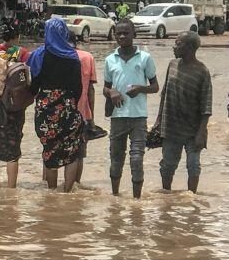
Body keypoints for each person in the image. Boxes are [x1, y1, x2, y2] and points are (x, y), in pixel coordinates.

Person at [104, 20, 159, 199]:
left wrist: (140, 88)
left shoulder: (144, 58)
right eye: (118, 33)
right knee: (116, 159)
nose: (122, 36)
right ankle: (115, 197)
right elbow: (105, 87)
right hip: (117, 116)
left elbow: (155, 86)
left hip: (138, 117)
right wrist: (111, 92)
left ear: (134, 35)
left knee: (136, 159)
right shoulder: (110, 59)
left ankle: (137, 200)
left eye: (126, 33)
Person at [28, 19, 85, 192]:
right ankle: (67, 192)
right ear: (64, 33)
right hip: (68, 108)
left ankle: (52, 192)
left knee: (50, 152)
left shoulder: (38, 55)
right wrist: (68, 102)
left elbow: (33, 88)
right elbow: (78, 88)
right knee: (72, 152)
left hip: (45, 111)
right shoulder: (73, 56)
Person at [159, 32, 212, 193]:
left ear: (189, 48)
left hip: (193, 128)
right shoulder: (172, 64)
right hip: (171, 126)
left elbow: (207, 105)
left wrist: (201, 132)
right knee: (168, 165)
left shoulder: (202, 71)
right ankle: (166, 196)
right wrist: (158, 121)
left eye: (178, 44)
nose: (174, 47)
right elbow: (164, 93)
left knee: (193, 165)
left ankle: (192, 199)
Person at [0, 25, 31, 188]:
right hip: (14, 105)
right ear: (16, 37)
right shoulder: (23, 53)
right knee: (13, 148)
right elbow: (27, 79)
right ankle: (12, 190)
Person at [70, 31, 98, 185]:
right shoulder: (87, 57)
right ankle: (76, 186)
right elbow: (90, 91)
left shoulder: (53, 56)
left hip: (56, 113)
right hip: (82, 113)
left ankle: (49, 187)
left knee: (51, 151)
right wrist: (91, 118)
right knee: (79, 154)